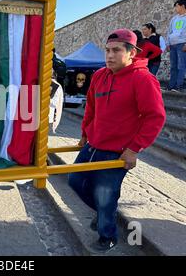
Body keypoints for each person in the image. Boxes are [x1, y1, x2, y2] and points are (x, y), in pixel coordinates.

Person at [68, 29, 166, 253]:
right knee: (75, 182)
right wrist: (84, 133)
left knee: (105, 194)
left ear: (132, 53)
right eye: (107, 50)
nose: (110, 55)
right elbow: (91, 107)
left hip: (117, 152)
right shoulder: (100, 75)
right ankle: (105, 213)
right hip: (93, 145)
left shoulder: (143, 79)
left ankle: (107, 235)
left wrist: (133, 150)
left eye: (116, 51)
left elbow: (155, 117)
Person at [167, 0, 186, 92]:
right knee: (173, 66)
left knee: (181, 65)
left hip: (182, 44)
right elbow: (169, 31)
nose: (175, 8)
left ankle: (179, 85)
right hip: (173, 45)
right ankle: (171, 85)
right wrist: (168, 43)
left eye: (177, 6)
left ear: (182, 6)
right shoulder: (174, 19)